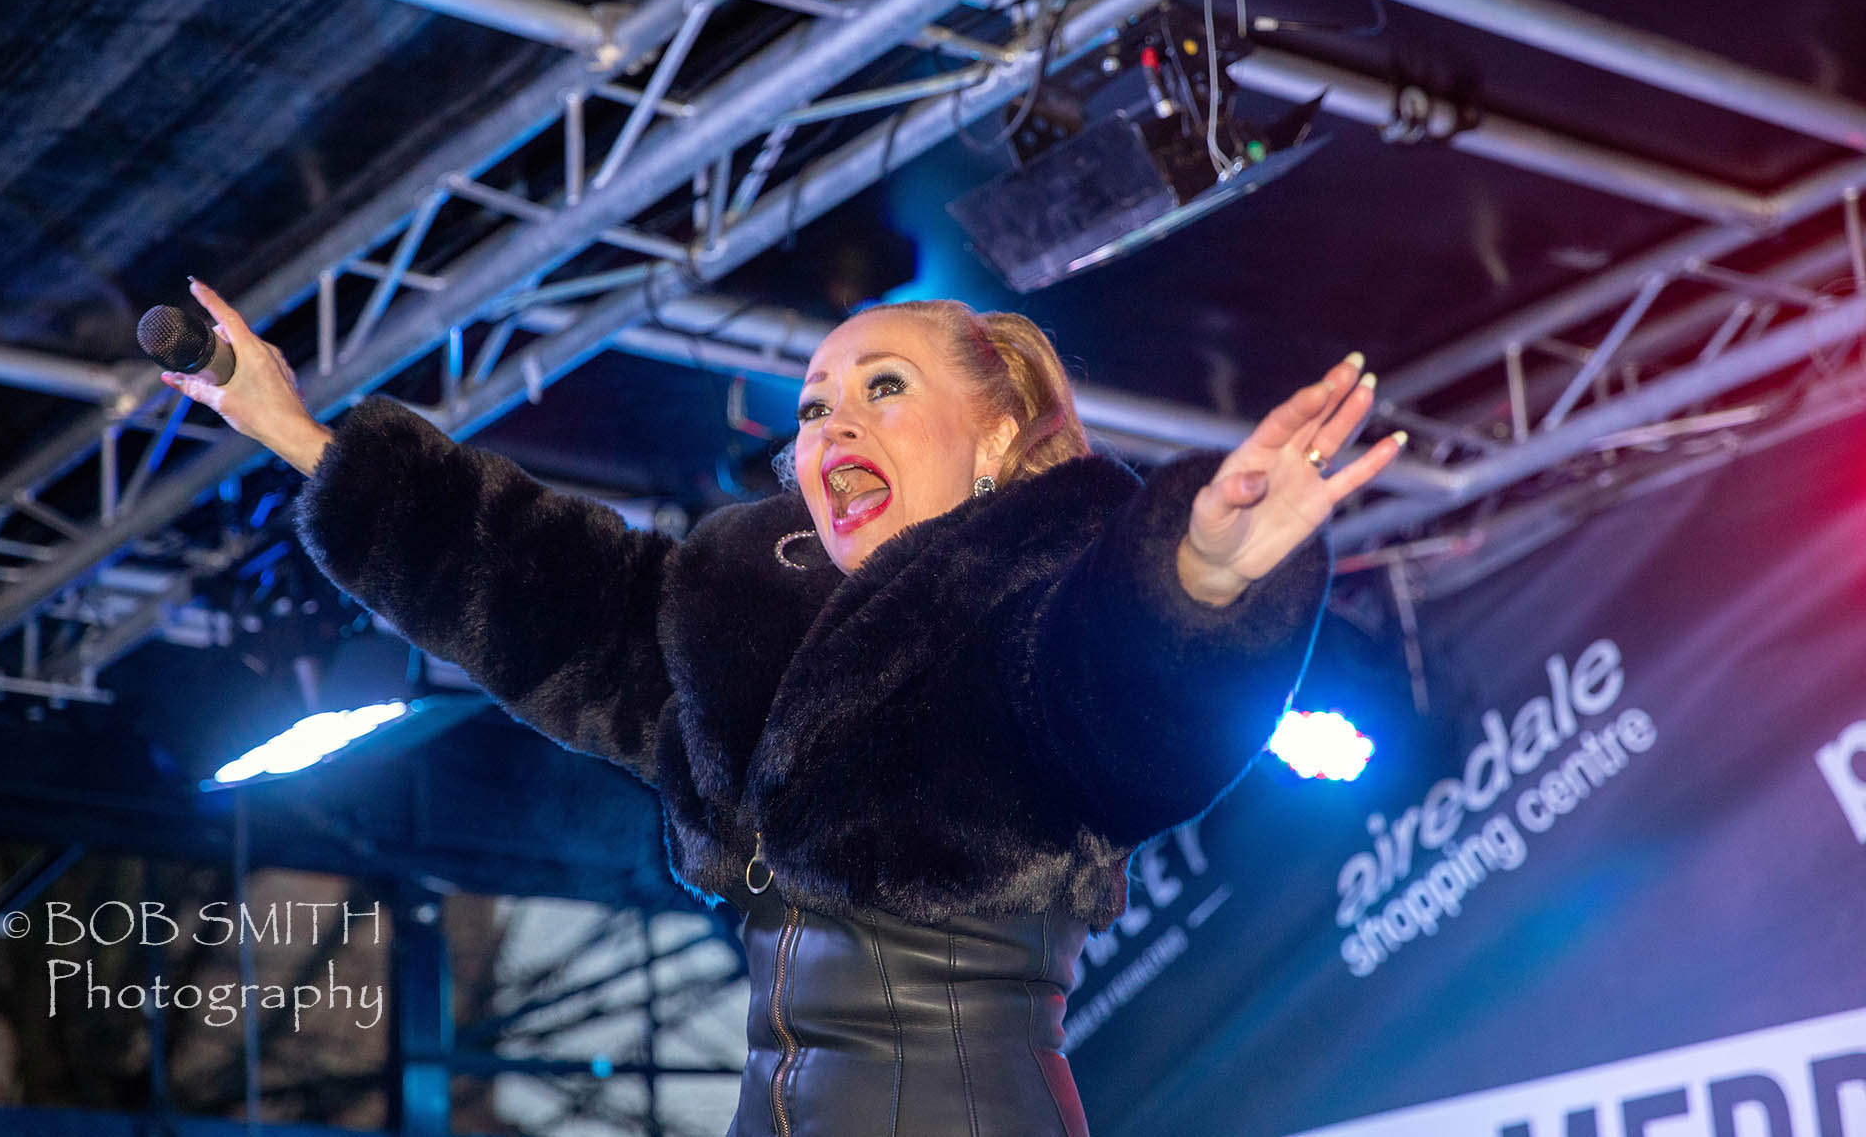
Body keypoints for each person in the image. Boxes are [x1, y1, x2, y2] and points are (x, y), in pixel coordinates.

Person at [164, 279, 1401, 1137]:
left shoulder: (1033, 609)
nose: (831, 425)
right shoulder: (734, 625)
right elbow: (538, 595)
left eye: (880, 387)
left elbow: (1124, 686)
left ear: (995, 436)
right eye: (814, 409)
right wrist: (303, 437)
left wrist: (1203, 574)